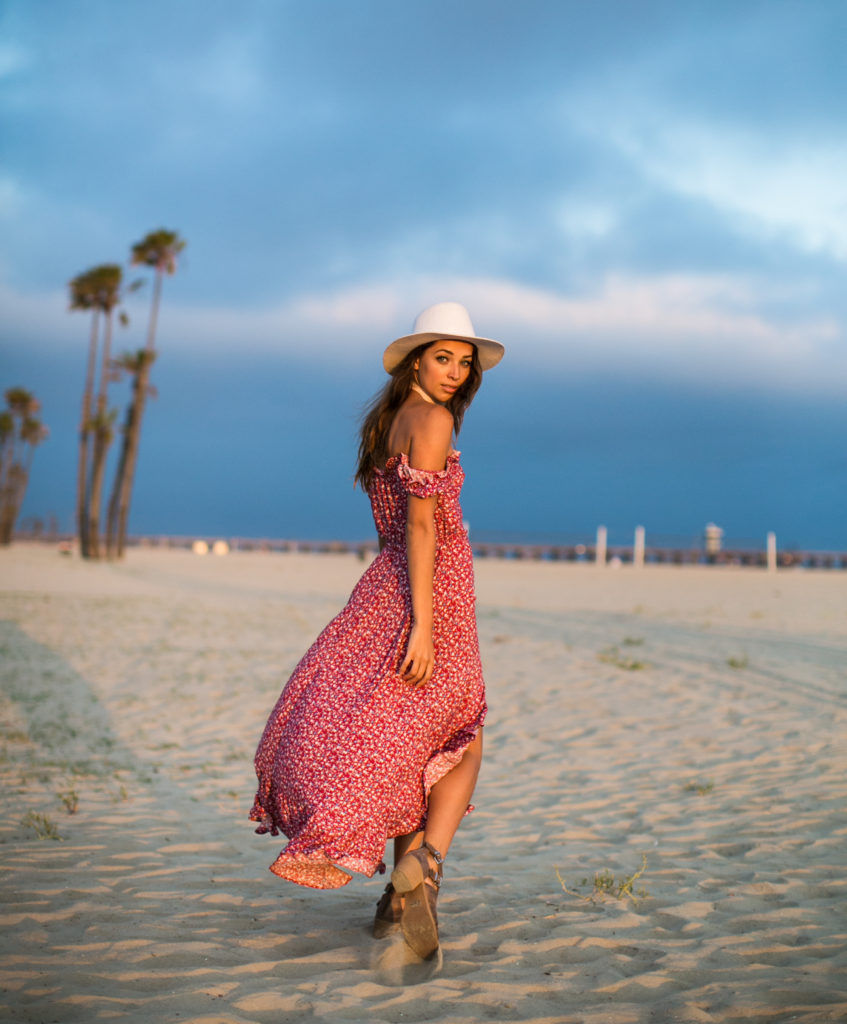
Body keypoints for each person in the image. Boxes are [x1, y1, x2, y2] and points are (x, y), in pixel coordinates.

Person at [250, 301, 504, 959]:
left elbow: (395, 525)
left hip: (384, 586)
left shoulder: (386, 423)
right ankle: (427, 868)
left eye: (463, 362)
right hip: (429, 596)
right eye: (442, 357)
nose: (453, 372)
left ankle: (395, 896)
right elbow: (421, 525)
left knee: (412, 751)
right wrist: (423, 624)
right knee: (461, 737)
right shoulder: (434, 420)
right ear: (417, 358)